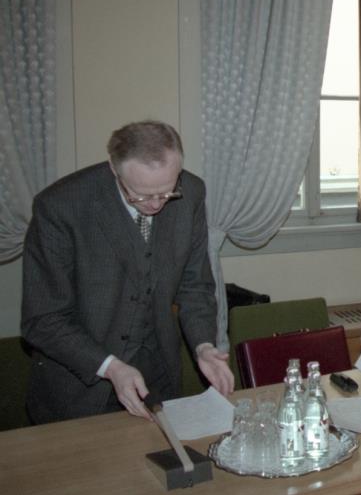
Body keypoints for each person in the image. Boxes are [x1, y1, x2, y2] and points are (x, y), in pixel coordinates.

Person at [21, 120, 233, 424]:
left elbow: (195, 286)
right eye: (141, 195)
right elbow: (43, 320)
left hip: (158, 380)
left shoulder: (192, 192)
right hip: (78, 389)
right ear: (114, 168)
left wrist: (203, 346)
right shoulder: (60, 206)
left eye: (167, 192)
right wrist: (110, 366)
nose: (156, 204)